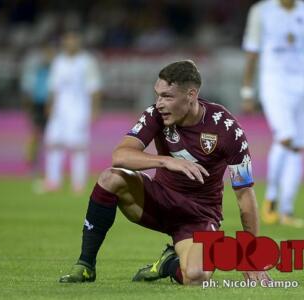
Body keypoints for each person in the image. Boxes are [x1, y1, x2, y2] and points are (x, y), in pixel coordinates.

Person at [59, 60, 271, 285]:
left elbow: (244, 193)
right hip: (158, 199)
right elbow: (120, 156)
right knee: (110, 178)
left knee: (197, 276)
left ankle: (168, 263)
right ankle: (86, 265)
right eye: (157, 95)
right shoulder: (155, 115)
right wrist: (165, 161)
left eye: (167, 96)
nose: (159, 103)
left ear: (191, 94)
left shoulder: (227, 129)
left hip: (199, 215)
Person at [241, 0, 304, 227]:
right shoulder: (261, 12)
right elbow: (251, 53)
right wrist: (247, 91)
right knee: (285, 137)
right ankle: (271, 200)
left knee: (297, 145)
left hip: (302, 86)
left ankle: (286, 210)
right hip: (274, 85)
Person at [41, 30, 102, 193]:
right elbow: (53, 86)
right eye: (67, 40)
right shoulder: (58, 61)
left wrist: (95, 109)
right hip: (59, 110)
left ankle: (78, 183)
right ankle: (53, 181)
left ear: (79, 42)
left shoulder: (87, 61)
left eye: (73, 40)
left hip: (79, 109)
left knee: (78, 146)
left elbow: (94, 88)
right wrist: (49, 104)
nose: (70, 43)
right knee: (53, 143)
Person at [20, 44, 55, 170]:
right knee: (35, 134)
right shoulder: (37, 70)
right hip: (38, 105)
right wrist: (29, 108)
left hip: (50, 106)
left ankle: (43, 165)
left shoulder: (56, 70)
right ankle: (31, 160)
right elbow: (28, 89)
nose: (49, 57)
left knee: (49, 136)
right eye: (48, 54)